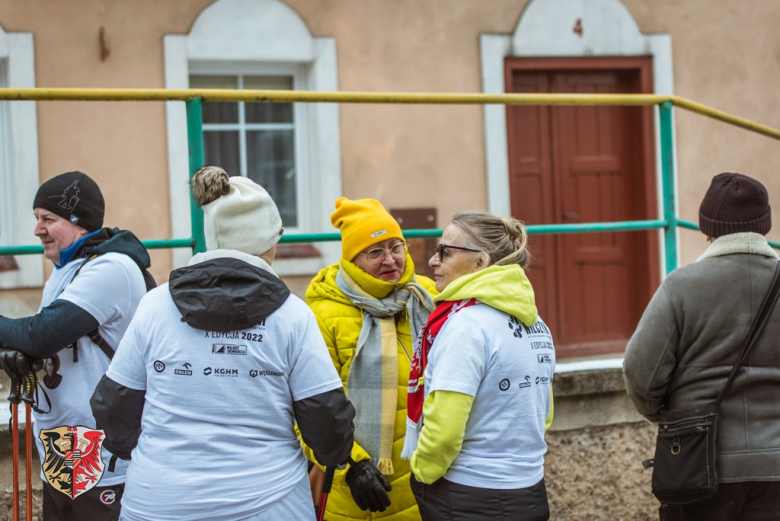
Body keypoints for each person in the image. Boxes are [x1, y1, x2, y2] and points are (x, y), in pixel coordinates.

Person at [90, 166, 355, 521]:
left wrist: (158, 453)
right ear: (268, 241)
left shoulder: (156, 306)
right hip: (270, 501)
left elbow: (112, 405)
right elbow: (327, 422)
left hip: (160, 502)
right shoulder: (293, 315)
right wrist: (337, 456)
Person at [624, 172, 780, 521]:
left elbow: (640, 374)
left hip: (700, 464)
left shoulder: (682, 286)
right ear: (764, 225)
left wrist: (668, 417)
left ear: (707, 227)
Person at [0, 171, 151, 520]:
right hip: (63, 450)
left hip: (102, 456)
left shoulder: (112, 268)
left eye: (48, 219)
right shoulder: (66, 269)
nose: (38, 229)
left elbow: (42, 335)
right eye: (37, 219)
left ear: (80, 224)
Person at [405, 211, 555, 521]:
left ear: (480, 262)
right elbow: (544, 413)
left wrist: (421, 471)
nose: (433, 260)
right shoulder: (536, 322)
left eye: (445, 251)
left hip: (469, 495)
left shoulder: (466, 326)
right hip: (530, 491)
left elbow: (444, 431)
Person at [303, 197, 437, 520]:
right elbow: (307, 406)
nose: (391, 260)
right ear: (352, 260)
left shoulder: (425, 296)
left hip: (428, 486)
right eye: (375, 252)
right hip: (357, 492)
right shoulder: (323, 313)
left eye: (396, 247)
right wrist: (352, 464)